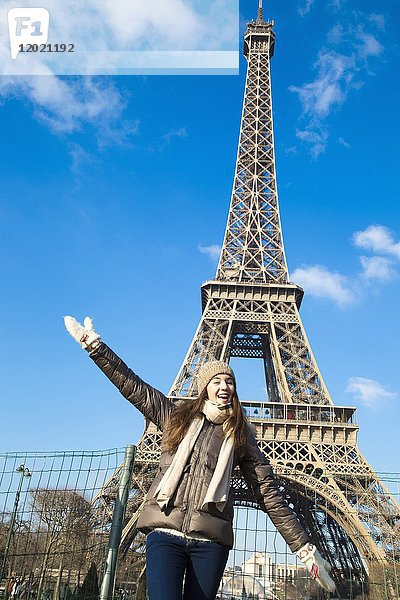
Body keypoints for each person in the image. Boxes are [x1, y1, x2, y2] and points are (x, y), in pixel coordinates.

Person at [64, 316, 335, 599]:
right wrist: (95, 347)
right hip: (166, 532)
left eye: (229, 381)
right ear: (204, 386)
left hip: (210, 543)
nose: (224, 386)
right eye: (216, 380)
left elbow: (268, 494)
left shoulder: (241, 435)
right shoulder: (175, 417)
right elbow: (134, 387)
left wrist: (304, 549)